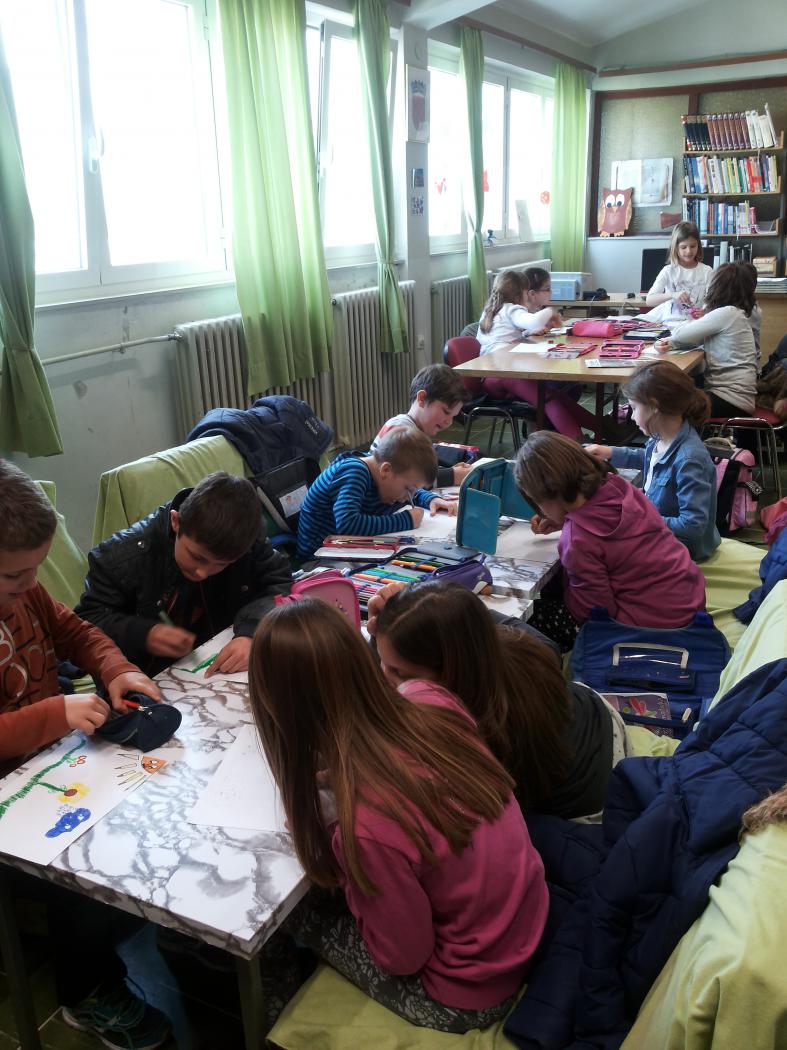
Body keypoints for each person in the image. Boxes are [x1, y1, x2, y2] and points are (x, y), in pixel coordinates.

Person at [249, 599, 549, 1033]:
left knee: (279, 913)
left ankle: (271, 1024)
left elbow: (403, 957)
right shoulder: (431, 698)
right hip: (525, 923)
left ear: (276, 710)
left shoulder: (365, 829)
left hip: (470, 990)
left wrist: (344, 854)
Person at [0, 459, 170, 1048]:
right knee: (80, 865)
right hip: (9, 797)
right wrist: (55, 714)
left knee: (141, 802)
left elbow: (75, 631)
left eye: (37, 567)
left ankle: (127, 925)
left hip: (47, 762)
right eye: (14, 574)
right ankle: (86, 991)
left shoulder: (25, 590)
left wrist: (115, 668)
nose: (30, 582)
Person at [370, 580, 631, 821]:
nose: (384, 677)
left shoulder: (479, 726)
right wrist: (413, 614)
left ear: (450, 671)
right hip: (601, 715)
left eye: (400, 673)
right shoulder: (497, 648)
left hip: (592, 800)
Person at [76, 471, 292, 678]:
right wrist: (143, 633)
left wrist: (251, 632)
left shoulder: (244, 538)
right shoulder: (122, 556)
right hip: (142, 677)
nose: (203, 573)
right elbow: (84, 625)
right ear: (176, 522)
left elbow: (279, 580)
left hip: (212, 659)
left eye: (222, 564)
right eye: (197, 557)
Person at [514, 433, 706, 650]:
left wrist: (570, 529)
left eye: (537, 502)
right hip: (690, 603)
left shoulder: (577, 540)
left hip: (652, 630)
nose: (539, 510)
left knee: (531, 618)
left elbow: (595, 612)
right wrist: (566, 521)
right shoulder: (619, 486)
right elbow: (613, 531)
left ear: (549, 495)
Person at [586, 361, 720, 560]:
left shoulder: (690, 460)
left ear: (654, 406)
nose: (632, 416)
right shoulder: (661, 437)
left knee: (600, 547)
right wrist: (609, 452)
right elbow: (650, 459)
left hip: (681, 548)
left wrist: (641, 518)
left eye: (633, 407)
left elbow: (692, 526)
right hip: (658, 530)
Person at [477, 270, 615, 441]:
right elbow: (533, 321)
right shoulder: (511, 309)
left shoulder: (491, 310)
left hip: (495, 376)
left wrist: (527, 333)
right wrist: (550, 311)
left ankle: (604, 429)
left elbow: (503, 336)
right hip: (503, 376)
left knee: (556, 396)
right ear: (521, 293)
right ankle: (580, 443)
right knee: (548, 399)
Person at [296, 428, 456, 560]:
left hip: (346, 550)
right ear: (386, 470)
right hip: (319, 559)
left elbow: (409, 488)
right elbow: (348, 524)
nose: (407, 497)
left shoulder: (382, 475)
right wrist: (405, 520)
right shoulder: (354, 472)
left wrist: (430, 498)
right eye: (409, 489)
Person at [655, 262, 759, 420]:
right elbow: (691, 338)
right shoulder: (736, 314)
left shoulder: (726, 313)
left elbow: (680, 333)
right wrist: (668, 342)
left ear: (718, 288)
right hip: (736, 397)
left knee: (666, 402)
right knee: (676, 388)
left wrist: (678, 333)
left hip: (729, 399)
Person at [371, 364, 472, 486]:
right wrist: (453, 475)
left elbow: (416, 471)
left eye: (453, 416)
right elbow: (407, 478)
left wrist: (450, 470)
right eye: (446, 412)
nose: (449, 422)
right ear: (422, 398)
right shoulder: (401, 430)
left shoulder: (416, 432)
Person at [644, 221, 713, 315]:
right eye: (683, 247)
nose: (689, 251)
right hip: (672, 320)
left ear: (698, 245)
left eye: (693, 246)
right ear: (676, 248)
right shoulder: (668, 271)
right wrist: (672, 295)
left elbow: (713, 302)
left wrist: (705, 311)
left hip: (697, 321)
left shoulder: (707, 271)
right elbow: (649, 300)